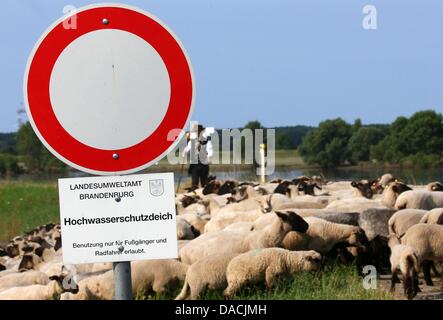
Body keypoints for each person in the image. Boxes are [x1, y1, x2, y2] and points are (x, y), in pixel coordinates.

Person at [183, 124, 213, 189]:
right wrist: (187, 141)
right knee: (194, 183)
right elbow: (186, 152)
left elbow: (210, 152)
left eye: (199, 131)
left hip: (204, 164)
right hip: (194, 165)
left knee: (204, 183)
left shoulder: (207, 141)